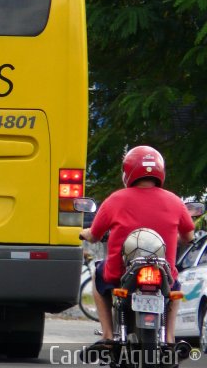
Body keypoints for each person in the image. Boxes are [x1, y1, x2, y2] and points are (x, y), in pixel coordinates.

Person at [79, 145, 194, 345]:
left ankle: (107, 335)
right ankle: (169, 338)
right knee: (174, 289)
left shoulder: (115, 200)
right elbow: (189, 236)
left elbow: (95, 235)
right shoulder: (175, 202)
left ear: (127, 172)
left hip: (120, 274)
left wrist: (84, 233)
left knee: (98, 276)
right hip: (163, 274)